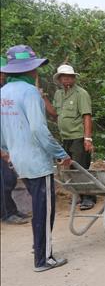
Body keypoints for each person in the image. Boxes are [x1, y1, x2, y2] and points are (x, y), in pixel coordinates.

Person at [0, 45, 72, 272]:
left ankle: (38, 246)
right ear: (30, 69)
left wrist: (6, 151)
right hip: (37, 162)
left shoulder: (3, 93)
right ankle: (44, 258)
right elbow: (39, 131)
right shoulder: (30, 93)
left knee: (38, 206)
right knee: (44, 210)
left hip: (18, 159)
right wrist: (60, 153)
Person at [47, 64, 96, 210]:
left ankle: (89, 197)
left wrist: (87, 139)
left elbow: (87, 116)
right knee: (71, 168)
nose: (66, 80)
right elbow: (55, 113)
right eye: (63, 77)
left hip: (78, 137)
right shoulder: (58, 94)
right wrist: (43, 98)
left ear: (74, 78)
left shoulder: (81, 93)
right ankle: (80, 196)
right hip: (66, 138)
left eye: (69, 77)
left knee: (81, 167)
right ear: (59, 79)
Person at [1, 55, 30, 225]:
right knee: (6, 179)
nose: (3, 75)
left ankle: (9, 209)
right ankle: (7, 213)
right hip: (3, 146)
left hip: (7, 142)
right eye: (1, 72)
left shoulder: (4, 90)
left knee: (8, 177)